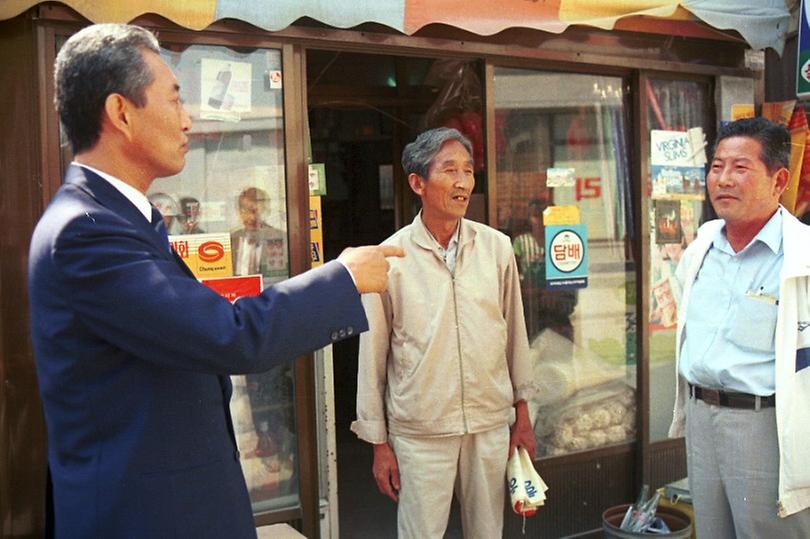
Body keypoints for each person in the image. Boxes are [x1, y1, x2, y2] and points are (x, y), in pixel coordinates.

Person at [28, 23, 403, 538]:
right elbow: (226, 333)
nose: (189, 120)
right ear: (121, 113)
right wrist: (344, 278)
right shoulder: (85, 232)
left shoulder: (121, 219)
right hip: (143, 517)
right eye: (175, 99)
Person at [352, 127, 536, 538]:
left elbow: (515, 338)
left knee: (487, 532)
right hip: (420, 430)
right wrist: (379, 443)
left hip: (489, 424)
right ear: (417, 182)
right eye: (449, 170)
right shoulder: (390, 259)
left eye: (468, 171)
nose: (462, 182)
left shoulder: (496, 249)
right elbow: (372, 358)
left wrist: (522, 415)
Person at [669, 117, 810, 537]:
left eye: (740, 168)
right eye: (716, 166)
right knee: (712, 531)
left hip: (764, 426)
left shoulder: (800, 258)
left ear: (778, 179)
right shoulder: (701, 249)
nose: (723, 179)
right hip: (701, 418)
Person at [231, 187, 287, 282]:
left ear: (266, 211)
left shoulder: (280, 238)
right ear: (239, 212)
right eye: (245, 211)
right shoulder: (232, 239)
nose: (252, 217)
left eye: (256, 211)